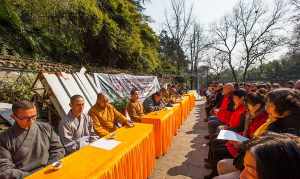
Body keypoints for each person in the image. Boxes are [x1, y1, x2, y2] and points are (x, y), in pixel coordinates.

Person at [0, 100, 65, 179]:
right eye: (25, 118)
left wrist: (49, 167)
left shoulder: (45, 128)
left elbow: (58, 149)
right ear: (14, 117)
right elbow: (5, 168)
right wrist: (31, 176)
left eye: (33, 116)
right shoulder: (4, 138)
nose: (31, 121)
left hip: (49, 171)